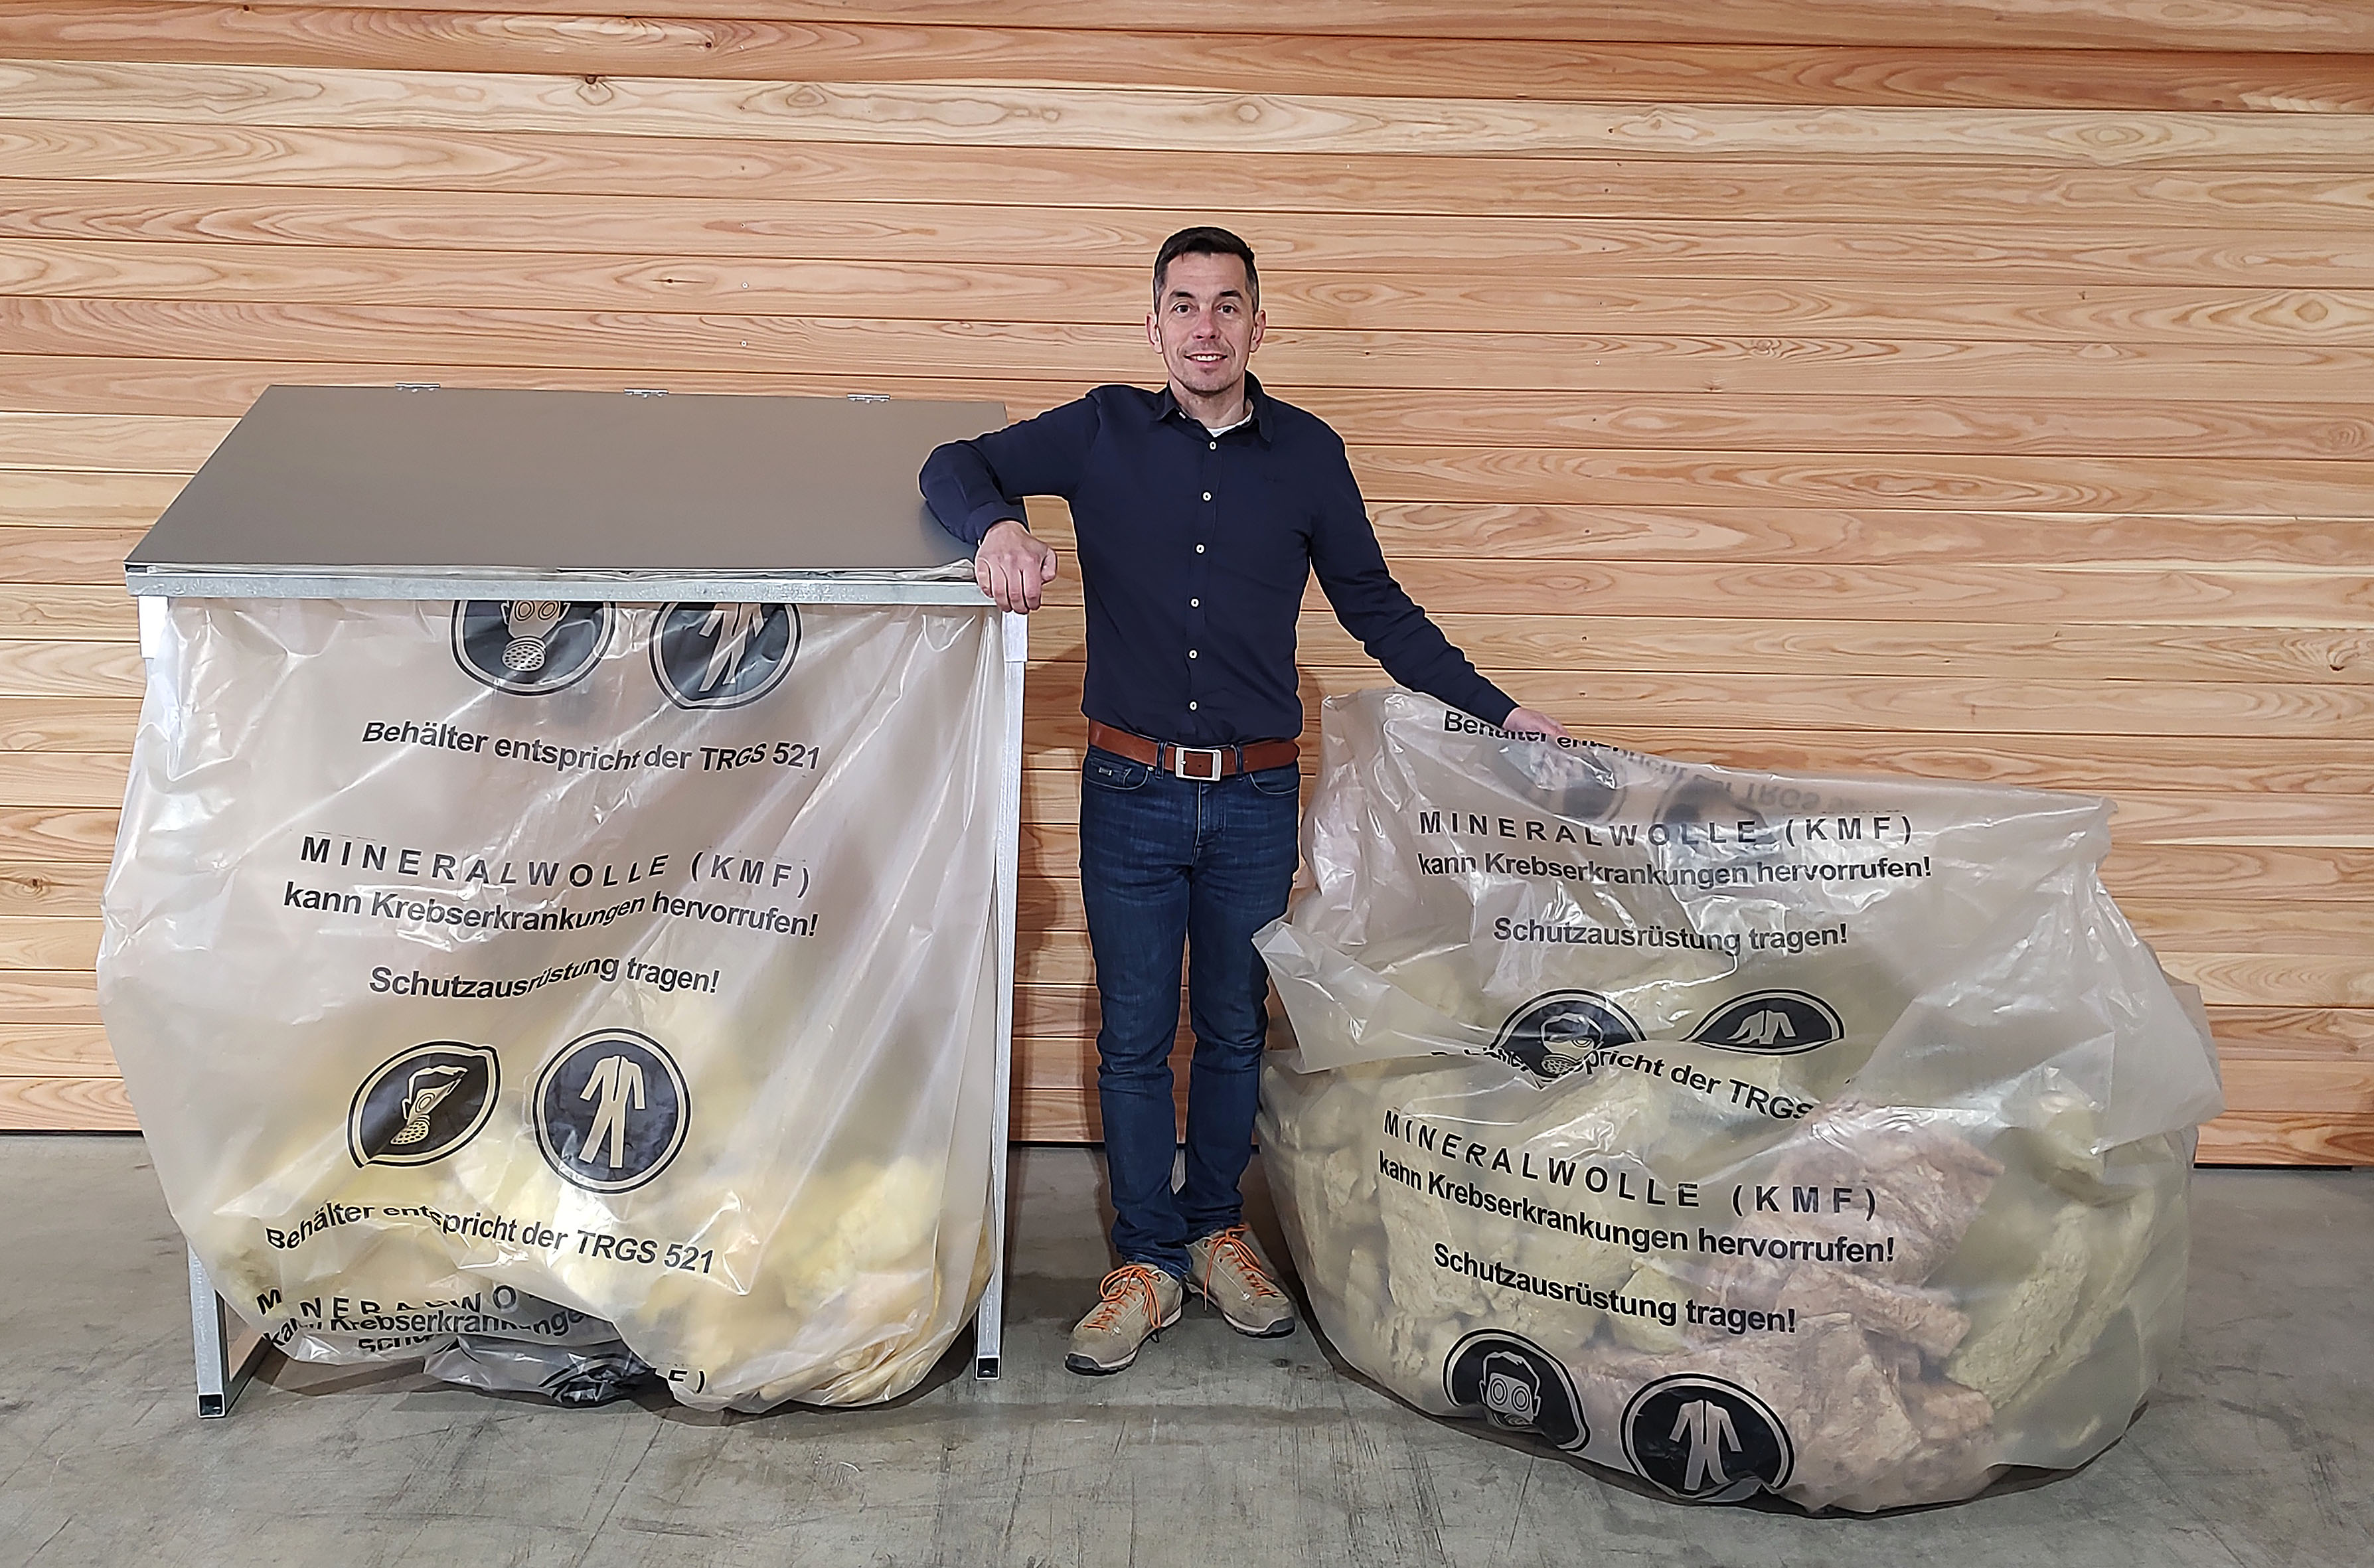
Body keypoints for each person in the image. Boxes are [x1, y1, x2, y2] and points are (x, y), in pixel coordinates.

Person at [921, 226, 1566, 1375]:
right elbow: (950, 464)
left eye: (1227, 305)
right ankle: (1146, 1257)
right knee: (1132, 1033)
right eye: (1184, 305)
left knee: (1231, 1025)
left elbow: (1379, 608)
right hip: (1129, 788)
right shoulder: (1103, 429)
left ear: (1259, 326)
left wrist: (1501, 711)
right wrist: (1001, 523)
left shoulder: (1309, 454)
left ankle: (1218, 1230)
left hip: (1257, 793)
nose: (1205, 327)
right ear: (1153, 324)